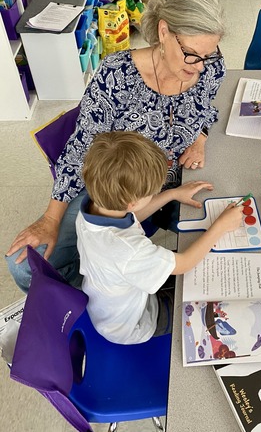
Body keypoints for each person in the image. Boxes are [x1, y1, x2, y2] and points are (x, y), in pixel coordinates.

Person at [6, 0, 226, 293]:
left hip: (174, 180)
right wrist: (50, 219)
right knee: (23, 265)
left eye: (208, 55)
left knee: (226, 247)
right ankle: (93, 300)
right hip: (121, 187)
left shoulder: (209, 67)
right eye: (192, 55)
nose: (199, 67)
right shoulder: (117, 74)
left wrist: (199, 139)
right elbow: (81, 149)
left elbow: (206, 108)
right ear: (164, 32)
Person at [77, 131, 243, 344]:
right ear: (131, 202)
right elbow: (183, 264)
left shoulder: (92, 207)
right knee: (211, 298)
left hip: (111, 302)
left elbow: (133, 215)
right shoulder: (129, 250)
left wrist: (172, 194)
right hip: (136, 323)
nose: (155, 194)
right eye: (151, 193)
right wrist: (220, 226)